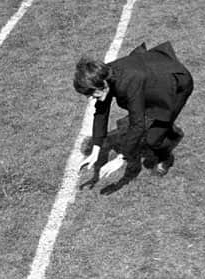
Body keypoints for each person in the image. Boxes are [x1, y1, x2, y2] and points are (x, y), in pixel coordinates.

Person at [73, 41, 193, 187]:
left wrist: (121, 158)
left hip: (176, 84)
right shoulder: (104, 75)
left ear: (103, 84)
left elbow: (138, 125)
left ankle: (165, 157)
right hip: (152, 73)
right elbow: (101, 112)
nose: (90, 97)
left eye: (92, 93)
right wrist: (95, 150)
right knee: (147, 115)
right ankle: (167, 129)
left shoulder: (129, 83)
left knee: (153, 140)